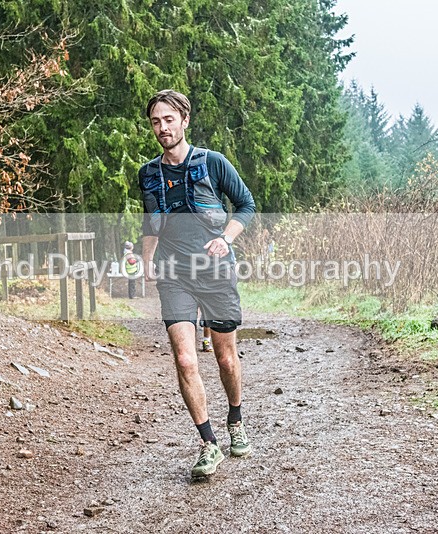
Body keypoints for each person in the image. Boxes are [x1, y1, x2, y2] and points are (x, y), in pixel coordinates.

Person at [139, 89, 256, 477]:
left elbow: (246, 205)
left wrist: (226, 238)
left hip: (215, 271)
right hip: (174, 274)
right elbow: (151, 222)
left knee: (225, 358)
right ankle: (208, 444)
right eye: (156, 121)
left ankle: (235, 419)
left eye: (169, 120)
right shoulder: (149, 174)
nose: (162, 128)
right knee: (186, 358)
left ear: (185, 121)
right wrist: (147, 261)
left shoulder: (212, 162)